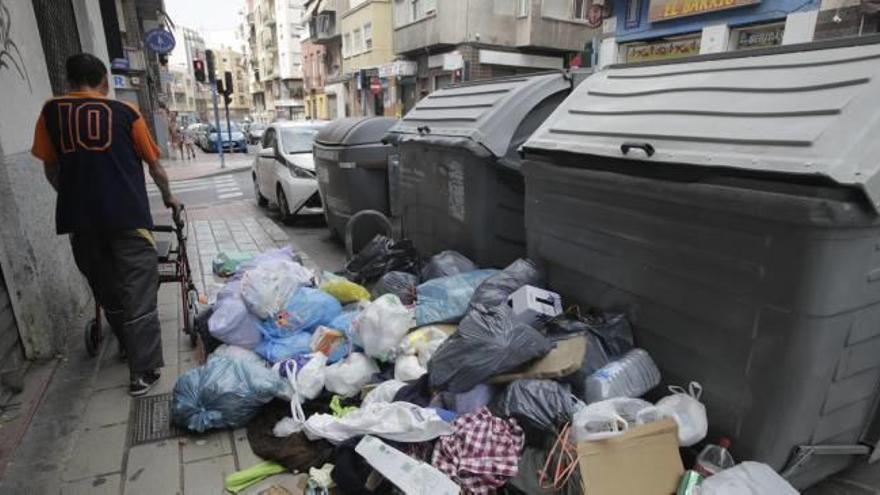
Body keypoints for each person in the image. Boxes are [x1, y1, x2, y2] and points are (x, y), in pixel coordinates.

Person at [30, 53, 181, 396]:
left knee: (108, 291)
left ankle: (128, 345)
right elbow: (155, 166)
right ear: (105, 82)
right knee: (139, 292)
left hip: (81, 223)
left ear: (67, 82)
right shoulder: (126, 113)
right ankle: (142, 372)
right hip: (128, 218)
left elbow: (51, 168)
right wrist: (169, 197)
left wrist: (71, 195)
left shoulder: (50, 112)